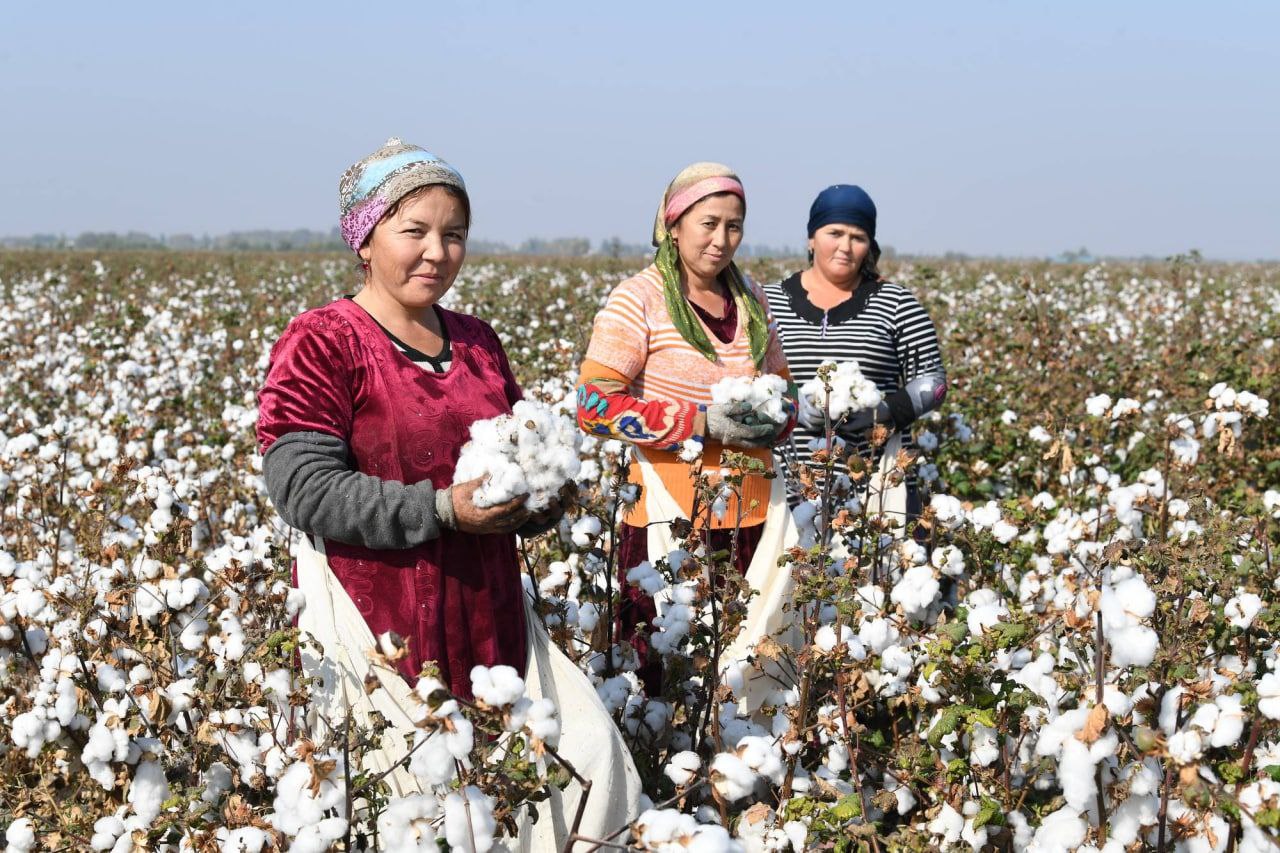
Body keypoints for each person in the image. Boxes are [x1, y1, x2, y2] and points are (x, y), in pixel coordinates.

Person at [258, 140, 642, 838]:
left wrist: (538, 501)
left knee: (574, 768)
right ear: (365, 240)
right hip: (378, 632)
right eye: (416, 231)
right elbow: (302, 487)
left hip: (489, 618)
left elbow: (526, 453)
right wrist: (443, 510)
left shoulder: (475, 342)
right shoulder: (323, 341)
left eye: (454, 234)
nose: (437, 251)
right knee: (406, 812)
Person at [576, 162, 797, 696]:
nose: (722, 240)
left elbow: (786, 394)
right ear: (673, 225)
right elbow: (593, 404)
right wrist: (699, 422)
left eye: (734, 225)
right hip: (668, 517)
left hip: (755, 513)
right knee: (665, 671)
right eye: (709, 223)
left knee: (752, 664)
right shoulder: (639, 299)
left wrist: (774, 418)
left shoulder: (752, 301)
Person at [764, 184, 947, 523]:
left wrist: (885, 412)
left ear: (869, 245)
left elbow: (933, 382)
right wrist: (794, 405)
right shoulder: (767, 302)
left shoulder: (897, 304)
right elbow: (750, 379)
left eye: (857, 237)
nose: (845, 247)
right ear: (811, 238)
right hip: (783, 490)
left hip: (874, 488)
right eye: (834, 232)